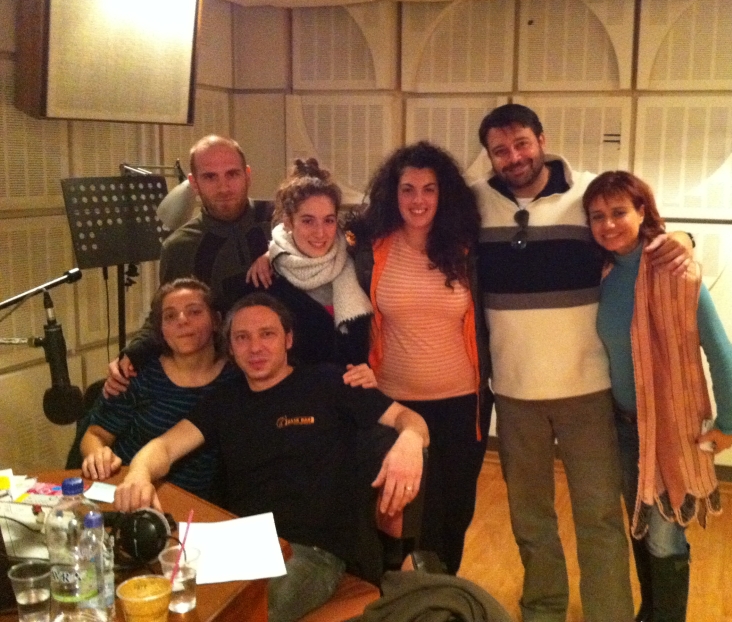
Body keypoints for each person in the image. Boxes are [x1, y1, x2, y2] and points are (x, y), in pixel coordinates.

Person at [471, 104, 693, 622]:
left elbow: (642, 233)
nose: (513, 157)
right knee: (531, 519)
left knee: (600, 517)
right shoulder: (475, 203)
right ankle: (543, 608)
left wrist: (683, 239)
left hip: (588, 392)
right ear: (489, 156)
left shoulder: (587, 194)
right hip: (515, 394)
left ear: (542, 140)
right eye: (500, 150)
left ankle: (609, 614)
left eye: (522, 144)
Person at [114, 292, 429, 622]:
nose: (255, 348)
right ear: (231, 347)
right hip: (239, 545)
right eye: (242, 338)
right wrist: (138, 473)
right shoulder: (225, 400)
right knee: (151, 594)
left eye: (267, 334)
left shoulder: (329, 382)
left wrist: (409, 440)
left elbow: (409, 419)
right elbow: (164, 447)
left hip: (311, 552)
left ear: (288, 339)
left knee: (242, 614)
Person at [583, 171, 732, 622]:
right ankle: (650, 612)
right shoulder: (603, 273)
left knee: (665, 538)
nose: (608, 224)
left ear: (642, 212)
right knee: (641, 527)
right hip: (623, 427)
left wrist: (730, 421)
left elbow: (718, 348)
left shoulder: (674, 270)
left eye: (619, 212)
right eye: (597, 216)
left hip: (672, 428)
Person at [350, 141, 491, 576]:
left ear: (443, 194)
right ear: (393, 194)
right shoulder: (370, 249)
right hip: (394, 405)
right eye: (408, 189)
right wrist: (272, 250)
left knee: (453, 513)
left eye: (429, 189)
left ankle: (444, 593)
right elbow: (312, 245)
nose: (418, 200)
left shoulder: (468, 250)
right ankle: (400, 596)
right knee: (399, 513)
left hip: (461, 405)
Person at [104, 135, 273, 395]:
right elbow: (165, 312)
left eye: (232, 174)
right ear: (194, 183)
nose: (224, 187)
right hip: (226, 381)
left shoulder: (282, 218)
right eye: (210, 177)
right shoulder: (180, 247)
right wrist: (132, 354)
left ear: (247, 175)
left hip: (297, 366)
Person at [80, 279, 237, 501]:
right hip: (127, 490)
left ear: (216, 321)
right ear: (161, 330)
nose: (182, 320)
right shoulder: (138, 373)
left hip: (195, 503)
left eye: (194, 311)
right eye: (170, 316)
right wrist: (97, 454)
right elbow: (95, 433)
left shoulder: (235, 379)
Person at [240, 158, 374, 381]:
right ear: (288, 222)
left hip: (350, 396)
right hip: (294, 399)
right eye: (308, 221)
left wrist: (370, 372)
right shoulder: (265, 280)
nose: (320, 233)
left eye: (328, 220)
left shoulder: (356, 266)